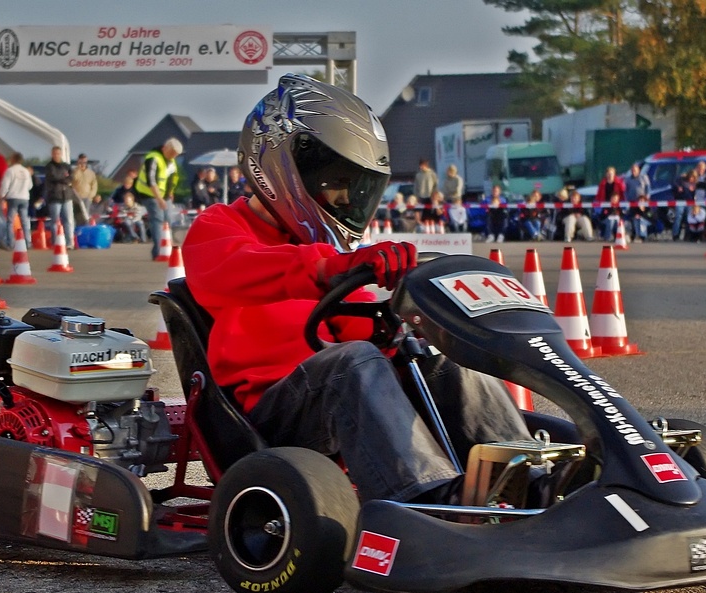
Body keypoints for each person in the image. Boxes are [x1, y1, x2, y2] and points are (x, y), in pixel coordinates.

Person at [181, 73, 530, 505]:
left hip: (335, 396)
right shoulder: (219, 228)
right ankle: (426, 501)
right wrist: (330, 266)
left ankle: (523, 477)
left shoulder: (326, 255)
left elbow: (361, 323)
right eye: (334, 182)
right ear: (283, 165)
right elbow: (230, 273)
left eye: (354, 185)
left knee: (437, 350)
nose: (345, 198)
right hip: (268, 412)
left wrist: (410, 327)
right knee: (352, 362)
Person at [136, 137, 181, 259]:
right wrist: (159, 199)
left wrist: (170, 192)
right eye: (172, 154)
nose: (173, 157)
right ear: (165, 148)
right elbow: (151, 181)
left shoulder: (171, 160)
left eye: (175, 155)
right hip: (150, 194)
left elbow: (173, 178)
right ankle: (158, 252)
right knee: (158, 220)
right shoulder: (153, 158)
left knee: (168, 221)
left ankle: (167, 249)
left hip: (165, 196)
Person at [0, 152, 33, 245]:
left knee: (10, 221)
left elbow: (5, 185)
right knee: (24, 220)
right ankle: (27, 241)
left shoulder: (10, 171)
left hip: (13, 197)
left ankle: (11, 242)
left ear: (13, 159)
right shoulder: (26, 171)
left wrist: (1, 195)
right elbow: (30, 186)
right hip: (24, 197)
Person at [44, 146, 75, 249]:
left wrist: (65, 178)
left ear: (61, 154)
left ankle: (69, 242)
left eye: (58, 153)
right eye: (54, 154)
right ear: (52, 154)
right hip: (54, 196)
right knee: (54, 221)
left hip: (66, 196)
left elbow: (71, 177)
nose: (56, 155)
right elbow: (53, 177)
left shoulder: (66, 166)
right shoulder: (49, 166)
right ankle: (55, 242)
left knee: (68, 220)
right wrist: (64, 177)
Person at [71, 153, 98, 222]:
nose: (83, 164)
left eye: (85, 162)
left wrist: (90, 196)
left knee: (85, 216)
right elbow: (72, 181)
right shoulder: (74, 171)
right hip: (76, 198)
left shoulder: (91, 173)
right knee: (75, 216)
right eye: (81, 162)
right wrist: (78, 169)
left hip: (87, 198)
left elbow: (94, 185)